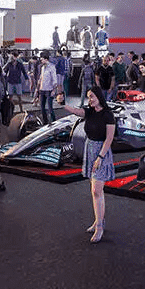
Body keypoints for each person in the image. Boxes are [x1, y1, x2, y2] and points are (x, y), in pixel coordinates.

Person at [62, 86, 115, 243]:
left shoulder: (108, 115)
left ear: (99, 96)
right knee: (96, 190)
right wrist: (62, 103)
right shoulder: (90, 111)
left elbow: (109, 138)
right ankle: (99, 221)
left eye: (92, 96)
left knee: (96, 190)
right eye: (88, 97)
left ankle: (99, 226)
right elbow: (75, 111)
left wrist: (100, 157)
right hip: (90, 149)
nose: (89, 99)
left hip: (101, 152)